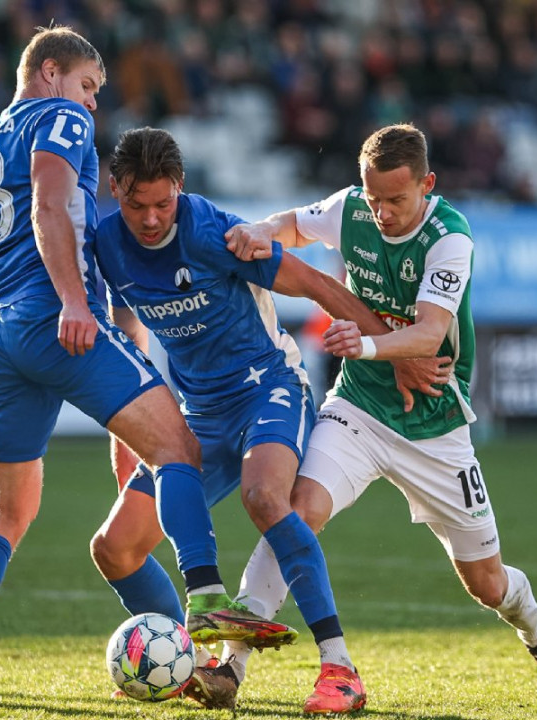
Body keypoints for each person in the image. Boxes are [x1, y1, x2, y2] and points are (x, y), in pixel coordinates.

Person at [0, 27, 288, 705]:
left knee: (7, 509)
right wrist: (73, 301)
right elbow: (49, 202)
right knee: (178, 448)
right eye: (88, 85)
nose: (91, 103)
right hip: (56, 320)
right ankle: (204, 600)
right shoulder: (60, 117)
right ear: (50, 71)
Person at [225, 123, 537, 699]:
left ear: (427, 184)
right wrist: (261, 229)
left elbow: (429, 334)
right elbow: (294, 225)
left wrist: (365, 344)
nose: (382, 213)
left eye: (396, 199)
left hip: (436, 428)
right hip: (360, 407)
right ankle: (230, 666)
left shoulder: (450, 238)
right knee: (296, 511)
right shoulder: (351, 209)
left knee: (486, 583)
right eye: (374, 198)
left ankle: (536, 628)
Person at [90, 126, 449, 713]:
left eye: (163, 204)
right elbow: (127, 335)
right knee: (115, 548)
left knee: (264, 497)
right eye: (137, 205)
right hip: (197, 415)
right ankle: (187, 663)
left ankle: (339, 667)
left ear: (180, 187)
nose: (151, 219)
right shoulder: (106, 245)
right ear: (115, 189)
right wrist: (129, 432)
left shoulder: (212, 233)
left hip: (268, 390)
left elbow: (315, 283)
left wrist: (396, 353)